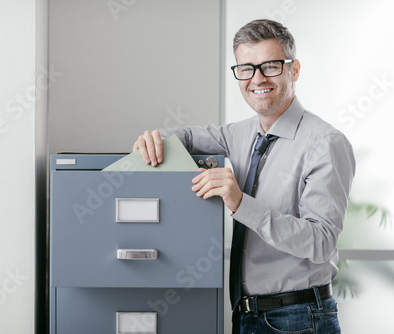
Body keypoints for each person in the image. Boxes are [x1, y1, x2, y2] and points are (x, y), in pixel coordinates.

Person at [133, 19, 355, 333]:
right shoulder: (238, 134)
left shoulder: (325, 143)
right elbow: (184, 136)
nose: (257, 78)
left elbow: (320, 242)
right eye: (246, 68)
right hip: (245, 315)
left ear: (294, 70)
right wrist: (154, 139)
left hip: (300, 318)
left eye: (270, 66)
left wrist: (240, 202)